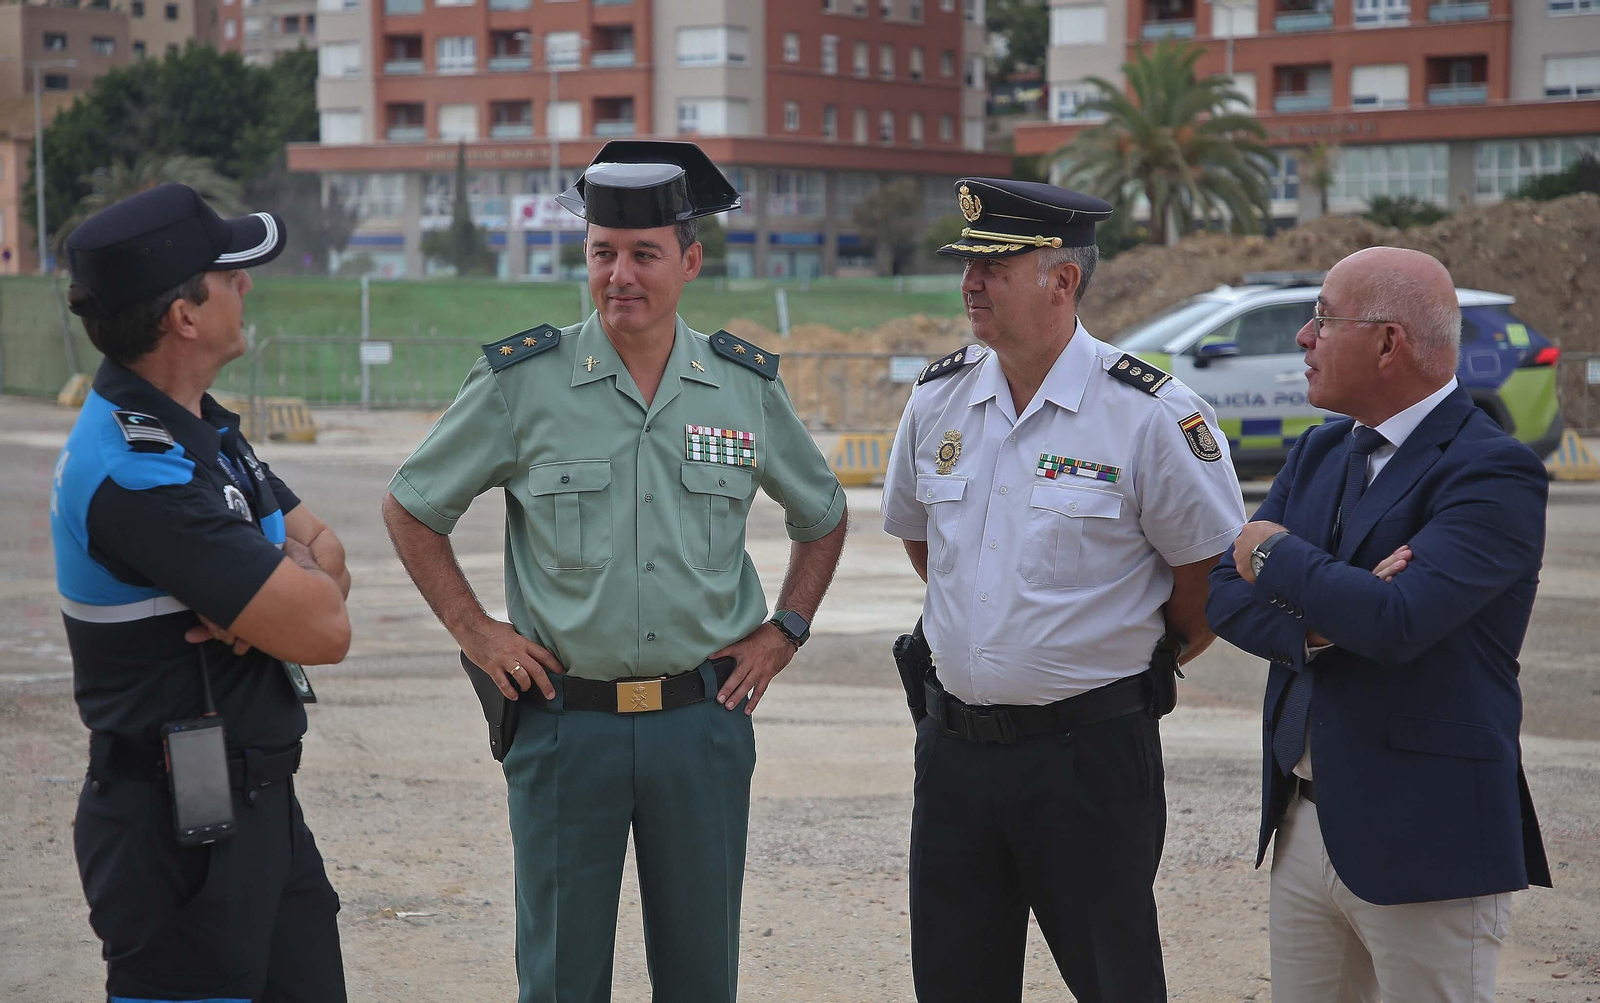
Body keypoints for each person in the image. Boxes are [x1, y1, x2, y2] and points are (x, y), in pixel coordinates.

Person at [381, 140, 849, 1003]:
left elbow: (822, 515)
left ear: (691, 261)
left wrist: (785, 630)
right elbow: (412, 505)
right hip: (566, 728)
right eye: (602, 252)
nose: (618, 275)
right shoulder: (524, 382)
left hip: (700, 725)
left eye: (643, 254)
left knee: (702, 975)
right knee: (559, 978)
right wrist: (475, 630)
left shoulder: (742, 388)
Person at [880, 178, 1246, 1002]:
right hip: (954, 758)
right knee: (955, 981)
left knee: (1114, 979)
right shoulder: (938, 399)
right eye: (967, 265)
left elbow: (1207, 580)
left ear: (1063, 279)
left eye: (995, 265)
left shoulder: (1149, 413)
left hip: (1087, 758)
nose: (971, 282)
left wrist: (1105, 658)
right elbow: (924, 545)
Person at [1206, 246, 1551, 1001]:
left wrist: (1278, 553)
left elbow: (1397, 621)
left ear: (1388, 342)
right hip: (1304, 823)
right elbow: (1225, 590)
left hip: (1428, 835)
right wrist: (1326, 620)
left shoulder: (1493, 471)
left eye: (1322, 318)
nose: (1303, 337)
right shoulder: (1323, 448)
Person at [50, 182, 353, 1002]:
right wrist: (290, 602)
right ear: (183, 316)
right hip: (178, 832)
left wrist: (271, 605)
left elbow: (328, 553)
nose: (246, 285)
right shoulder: (135, 469)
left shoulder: (199, 426)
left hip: (255, 811)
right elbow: (326, 629)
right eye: (228, 273)